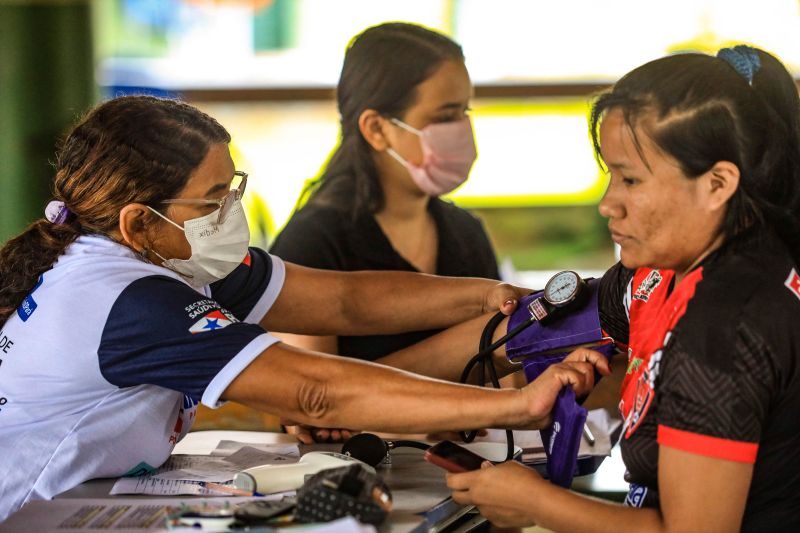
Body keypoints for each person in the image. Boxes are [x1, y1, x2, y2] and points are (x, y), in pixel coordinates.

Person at [0, 95, 608, 521]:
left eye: (233, 187)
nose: (231, 213)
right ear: (140, 222)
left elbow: (343, 299)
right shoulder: (128, 298)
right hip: (35, 512)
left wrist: (484, 293)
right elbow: (315, 390)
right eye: (213, 199)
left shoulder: (172, 257)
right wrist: (515, 404)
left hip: (87, 499)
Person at [444, 45, 800, 532]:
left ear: (717, 184)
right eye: (610, 175)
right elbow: (526, 330)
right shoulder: (672, 275)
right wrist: (611, 381)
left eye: (631, 180)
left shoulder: (723, 328)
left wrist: (534, 503)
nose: (608, 204)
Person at [270, 22, 499, 360]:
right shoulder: (312, 246)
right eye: (445, 116)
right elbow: (307, 402)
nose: (462, 129)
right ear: (377, 129)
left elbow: (507, 371)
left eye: (464, 112)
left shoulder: (465, 233)